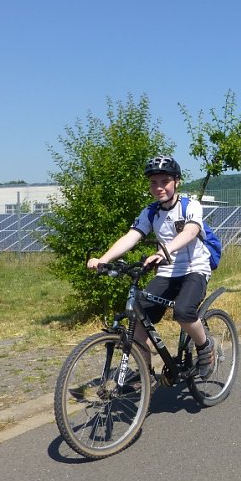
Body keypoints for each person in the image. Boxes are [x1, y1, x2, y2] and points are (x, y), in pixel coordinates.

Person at [86, 155, 216, 378]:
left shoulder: (190, 205)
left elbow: (191, 231)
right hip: (168, 271)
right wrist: (103, 259)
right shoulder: (150, 211)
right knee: (138, 318)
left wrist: (164, 251)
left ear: (177, 181)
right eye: (154, 183)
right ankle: (145, 375)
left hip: (195, 267)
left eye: (164, 181)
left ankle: (205, 348)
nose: (159, 187)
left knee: (183, 311)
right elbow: (132, 236)